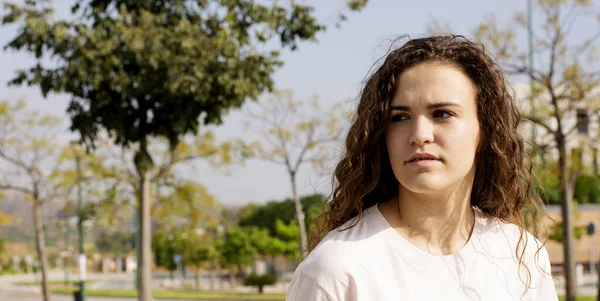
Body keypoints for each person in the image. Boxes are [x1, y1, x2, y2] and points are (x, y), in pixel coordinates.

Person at [286, 35, 558, 301]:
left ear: (483, 133)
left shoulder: (522, 259)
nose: (419, 134)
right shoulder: (336, 271)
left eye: (442, 114)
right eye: (400, 117)